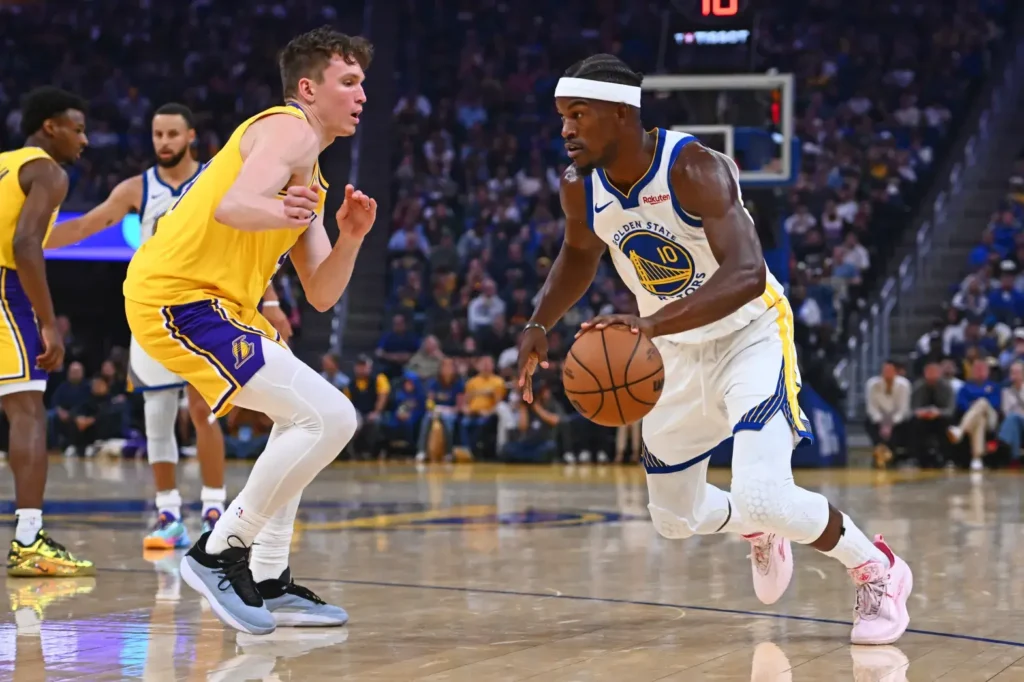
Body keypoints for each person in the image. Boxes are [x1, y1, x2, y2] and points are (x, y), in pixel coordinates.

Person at [517, 54, 913, 645]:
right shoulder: (579, 183)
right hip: (672, 351)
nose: (566, 129)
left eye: (578, 114)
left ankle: (874, 566)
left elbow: (748, 273)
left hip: (749, 337)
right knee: (674, 520)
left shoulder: (694, 167)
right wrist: (539, 323)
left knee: (763, 491)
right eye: (561, 117)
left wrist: (648, 328)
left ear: (622, 114)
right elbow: (579, 253)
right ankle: (760, 529)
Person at [122, 26, 376, 635]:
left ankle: (267, 577)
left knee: (305, 421)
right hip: (176, 296)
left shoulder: (309, 171)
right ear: (309, 88)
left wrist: (352, 237)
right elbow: (233, 204)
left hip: (226, 307)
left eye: (363, 82)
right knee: (333, 417)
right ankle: (219, 552)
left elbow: (320, 293)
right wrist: (282, 211)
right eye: (349, 81)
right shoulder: (287, 127)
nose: (361, 93)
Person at [47, 104, 294, 549]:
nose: (164, 142)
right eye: (158, 134)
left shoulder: (221, 177)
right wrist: (27, 239)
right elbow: (86, 224)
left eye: (172, 134)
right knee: (157, 416)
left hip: (210, 309)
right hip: (156, 311)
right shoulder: (136, 188)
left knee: (205, 412)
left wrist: (271, 300)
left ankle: (214, 509)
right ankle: (167, 515)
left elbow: (253, 245)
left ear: (191, 136)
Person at [1, 87, 94, 577]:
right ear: (50, 127)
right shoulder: (48, 171)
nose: (85, 139)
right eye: (77, 129)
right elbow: (24, 244)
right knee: (27, 410)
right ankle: (28, 540)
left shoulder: (3, 163)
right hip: (4, 288)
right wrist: (46, 321)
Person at [948, 357, 1001, 471]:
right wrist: (976, 407)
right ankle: (977, 458)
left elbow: (994, 403)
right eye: (977, 369)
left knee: (982, 402)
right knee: (979, 419)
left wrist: (975, 403)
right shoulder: (965, 387)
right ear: (972, 371)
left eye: (982, 369)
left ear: (988, 371)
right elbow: (961, 404)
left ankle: (960, 430)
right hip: (973, 419)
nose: (979, 371)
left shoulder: (994, 386)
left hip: (991, 418)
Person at [865, 360, 913, 468]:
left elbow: (903, 409)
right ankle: (879, 455)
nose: (887, 373)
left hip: (898, 420)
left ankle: (892, 457)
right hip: (879, 419)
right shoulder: (872, 384)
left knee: (904, 426)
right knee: (870, 423)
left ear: (896, 372)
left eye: (890, 370)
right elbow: (871, 408)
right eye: (885, 370)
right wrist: (882, 422)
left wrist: (890, 424)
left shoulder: (904, 385)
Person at [910, 361, 954, 467]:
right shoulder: (918, 387)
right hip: (923, 419)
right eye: (929, 373)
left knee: (945, 424)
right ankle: (917, 458)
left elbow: (950, 410)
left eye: (934, 373)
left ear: (939, 374)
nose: (931, 377)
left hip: (940, 418)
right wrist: (921, 413)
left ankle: (946, 458)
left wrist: (938, 413)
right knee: (914, 424)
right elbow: (912, 409)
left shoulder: (947, 387)